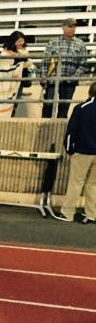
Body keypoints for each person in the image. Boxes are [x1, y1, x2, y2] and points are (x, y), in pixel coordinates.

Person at [54, 82, 96, 223]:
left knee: (76, 183)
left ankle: (68, 213)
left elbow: (71, 132)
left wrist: (69, 149)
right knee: (93, 185)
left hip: (83, 151)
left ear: (89, 92)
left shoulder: (81, 108)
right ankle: (92, 214)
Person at [41, 18, 89, 119]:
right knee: (47, 106)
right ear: (63, 28)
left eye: (74, 26)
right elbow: (46, 61)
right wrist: (44, 78)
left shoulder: (81, 44)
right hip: (52, 80)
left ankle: (60, 132)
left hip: (69, 82)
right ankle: (44, 131)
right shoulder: (53, 42)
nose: (72, 29)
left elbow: (83, 63)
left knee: (64, 108)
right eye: (70, 26)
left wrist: (74, 77)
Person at [0, 31, 34, 118]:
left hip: (20, 80)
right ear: (13, 41)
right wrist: (21, 65)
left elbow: (30, 63)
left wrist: (27, 65)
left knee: (15, 102)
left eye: (22, 41)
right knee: (7, 102)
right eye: (18, 41)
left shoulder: (25, 51)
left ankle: (11, 118)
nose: (21, 43)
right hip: (8, 81)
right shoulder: (6, 52)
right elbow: (4, 68)